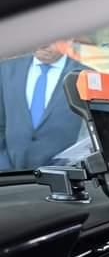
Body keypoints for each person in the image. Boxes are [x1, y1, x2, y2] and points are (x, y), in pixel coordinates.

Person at [0, 41, 90, 171]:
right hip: (9, 174)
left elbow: (91, 137)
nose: (43, 44)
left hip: (62, 175)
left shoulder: (86, 77)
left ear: (69, 39)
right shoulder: (6, 70)